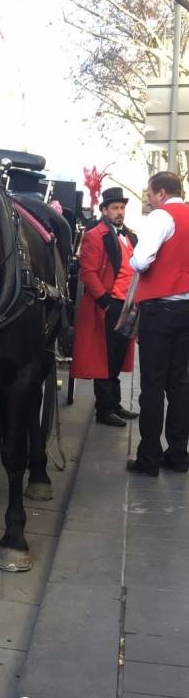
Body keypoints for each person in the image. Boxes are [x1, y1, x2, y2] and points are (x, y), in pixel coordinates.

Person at [127, 171, 189, 477]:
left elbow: (141, 261)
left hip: (160, 310)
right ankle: (178, 454)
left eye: (150, 194)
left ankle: (148, 458)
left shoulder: (161, 217)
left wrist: (133, 260)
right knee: (180, 384)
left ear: (162, 193)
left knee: (152, 385)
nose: (149, 199)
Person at [71, 186, 139, 426]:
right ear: (104, 210)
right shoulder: (95, 234)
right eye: (115, 208)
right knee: (105, 357)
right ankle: (104, 410)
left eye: (122, 208)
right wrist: (105, 302)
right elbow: (87, 272)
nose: (120, 212)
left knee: (118, 355)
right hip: (107, 306)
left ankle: (115, 404)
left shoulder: (130, 235)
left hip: (128, 305)